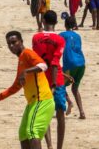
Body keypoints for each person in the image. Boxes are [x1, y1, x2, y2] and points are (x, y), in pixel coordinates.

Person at [0, 31, 54, 149]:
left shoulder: (28, 53)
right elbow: (16, 86)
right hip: (32, 103)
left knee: (32, 131)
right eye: (9, 44)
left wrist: (26, 71)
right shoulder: (21, 60)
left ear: (21, 41)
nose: (11, 46)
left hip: (42, 100)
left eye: (14, 42)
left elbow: (43, 66)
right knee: (23, 134)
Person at [32, 11, 67, 149]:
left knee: (44, 115)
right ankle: (59, 147)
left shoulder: (36, 38)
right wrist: (53, 83)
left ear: (43, 21)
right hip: (56, 80)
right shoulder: (60, 40)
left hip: (41, 79)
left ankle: (50, 146)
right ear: (56, 23)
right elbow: (54, 62)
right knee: (60, 115)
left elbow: (37, 60)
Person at [59, 14, 86, 120]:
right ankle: (82, 112)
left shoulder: (62, 35)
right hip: (81, 63)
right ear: (75, 25)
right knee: (75, 88)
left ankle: (69, 102)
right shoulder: (78, 36)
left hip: (70, 64)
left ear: (65, 25)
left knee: (59, 85)